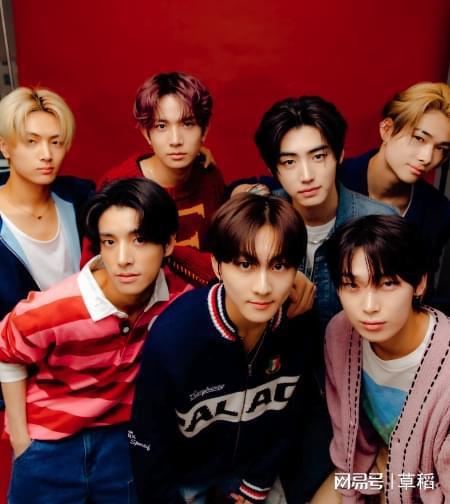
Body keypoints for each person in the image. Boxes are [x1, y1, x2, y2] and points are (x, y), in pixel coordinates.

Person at [0, 178, 190, 503]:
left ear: (169, 243)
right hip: (49, 441)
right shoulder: (59, 307)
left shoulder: (178, 298)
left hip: (121, 440)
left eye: (140, 239)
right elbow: (6, 351)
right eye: (109, 242)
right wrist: (21, 439)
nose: (123, 258)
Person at [252, 96, 398, 502]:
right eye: (289, 162)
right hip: (277, 394)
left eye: (318, 156)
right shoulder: (260, 225)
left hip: (358, 398)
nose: (307, 175)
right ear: (274, 169)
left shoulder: (378, 224)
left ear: (340, 154)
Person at [129, 193, 312, 504]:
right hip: (183, 480)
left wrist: (254, 488)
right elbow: (147, 444)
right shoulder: (175, 337)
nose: (263, 287)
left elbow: (289, 420)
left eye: (279, 265)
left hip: (255, 475)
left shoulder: (299, 325)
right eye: (245, 264)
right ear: (217, 265)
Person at [312, 215, 450, 503]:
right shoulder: (340, 333)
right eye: (352, 285)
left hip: (429, 484)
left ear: (419, 283)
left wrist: (396, 482)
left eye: (387, 283)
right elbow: (348, 445)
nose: (369, 306)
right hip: (371, 470)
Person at [0, 86, 94, 436]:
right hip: (20, 398)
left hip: (89, 387)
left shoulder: (81, 199)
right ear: (4, 146)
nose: (46, 154)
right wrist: (19, 434)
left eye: (56, 142)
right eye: (32, 142)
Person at [87, 71, 225, 286]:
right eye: (162, 126)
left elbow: (225, 256)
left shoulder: (209, 176)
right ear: (146, 133)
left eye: (187, 124)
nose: (175, 140)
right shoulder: (117, 186)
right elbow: (92, 272)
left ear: (204, 130)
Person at [339, 82, 450, 285]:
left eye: (441, 148)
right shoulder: (333, 179)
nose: (427, 158)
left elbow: (423, 290)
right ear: (387, 129)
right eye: (419, 138)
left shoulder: (438, 211)